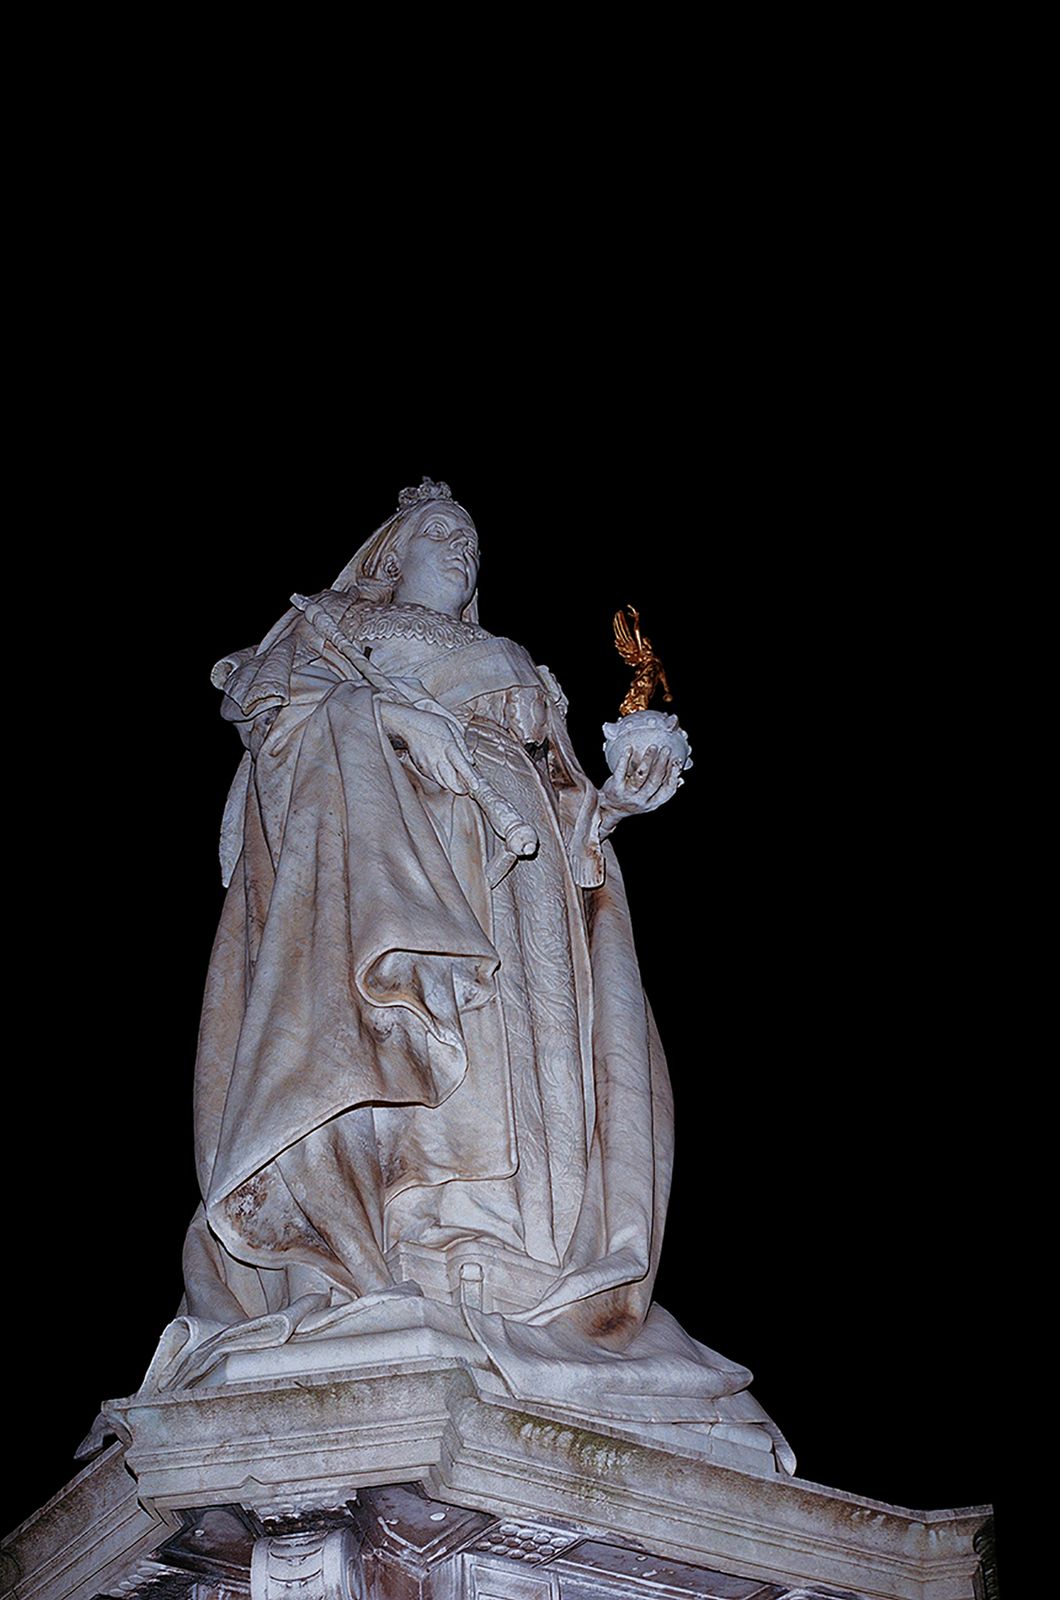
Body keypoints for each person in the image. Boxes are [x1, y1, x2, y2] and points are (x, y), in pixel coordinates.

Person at [168, 479, 791, 1469]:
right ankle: (413, 1241)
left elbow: (560, 799)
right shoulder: (333, 625)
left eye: (471, 542)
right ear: (389, 554)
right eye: (440, 535)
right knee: (421, 1048)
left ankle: (507, 1258)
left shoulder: (518, 665)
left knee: (524, 1070)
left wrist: (617, 805)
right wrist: (383, 723)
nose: (461, 552)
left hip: (522, 885)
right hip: (393, 861)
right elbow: (272, 733)